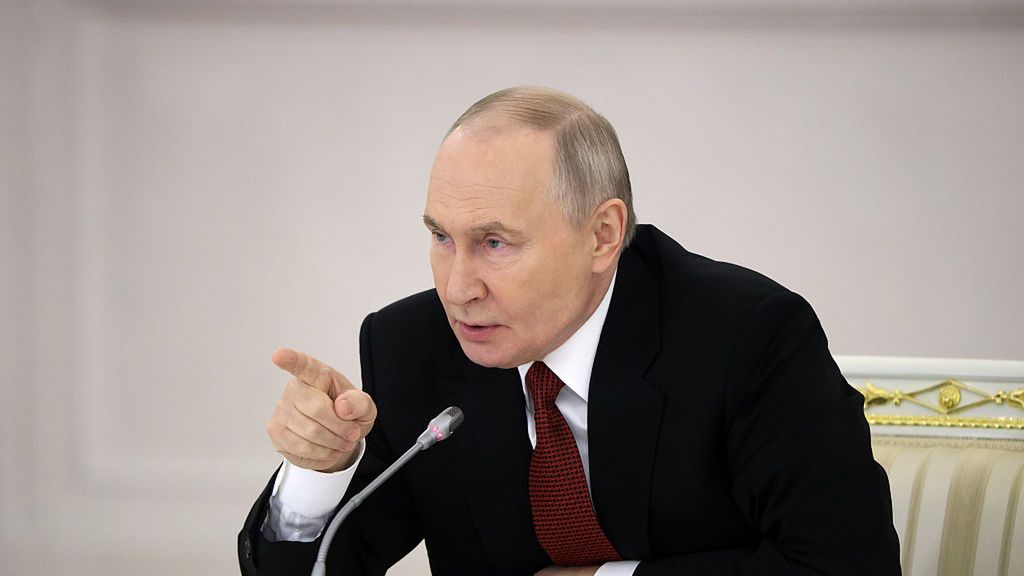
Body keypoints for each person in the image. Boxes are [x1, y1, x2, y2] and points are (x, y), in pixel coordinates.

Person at [238, 86, 901, 576]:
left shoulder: (745, 335)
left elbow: (848, 565)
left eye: (495, 243)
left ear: (602, 235)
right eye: (441, 237)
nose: (457, 287)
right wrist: (316, 473)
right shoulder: (412, 346)